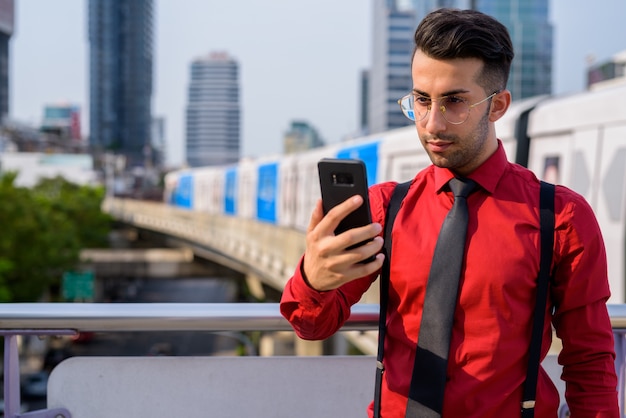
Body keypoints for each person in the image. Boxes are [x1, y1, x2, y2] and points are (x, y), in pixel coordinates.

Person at [280, 7, 619, 418]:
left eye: (455, 101)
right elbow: (312, 327)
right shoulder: (385, 208)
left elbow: (590, 362)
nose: (432, 123)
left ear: (498, 106)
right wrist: (314, 279)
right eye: (421, 100)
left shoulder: (561, 217)